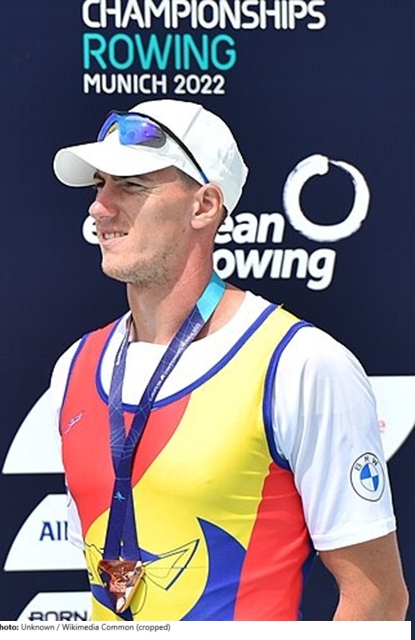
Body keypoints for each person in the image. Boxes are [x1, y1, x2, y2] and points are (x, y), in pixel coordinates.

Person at [50, 99, 408, 621]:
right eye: (99, 185)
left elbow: (378, 599)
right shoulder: (75, 366)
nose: (99, 208)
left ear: (205, 205)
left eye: (130, 185)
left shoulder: (302, 364)